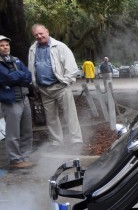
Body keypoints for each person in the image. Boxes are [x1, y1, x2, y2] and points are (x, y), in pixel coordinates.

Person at [27, 24, 83, 148]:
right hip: (43, 89)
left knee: (70, 115)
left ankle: (76, 140)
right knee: (51, 117)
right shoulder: (32, 49)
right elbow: (31, 67)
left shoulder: (60, 46)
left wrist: (67, 81)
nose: (39, 36)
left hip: (60, 87)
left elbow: (71, 65)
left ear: (47, 31)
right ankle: (56, 141)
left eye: (41, 33)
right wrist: (34, 84)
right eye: (36, 35)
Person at [0, 35, 34, 168]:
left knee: (27, 130)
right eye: (2, 45)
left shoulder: (16, 60)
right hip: (10, 100)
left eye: (7, 45)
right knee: (13, 132)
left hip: (23, 98)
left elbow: (28, 76)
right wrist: (19, 75)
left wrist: (17, 76)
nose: (5, 47)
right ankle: (15, 160)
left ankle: (25, 156)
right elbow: (6, 78)